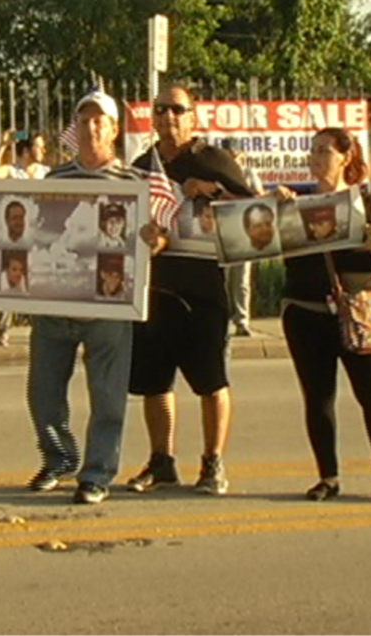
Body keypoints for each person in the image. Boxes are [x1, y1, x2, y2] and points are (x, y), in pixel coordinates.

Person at [128, 85, 254, 497]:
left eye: (177, 109)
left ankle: (212, 462)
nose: (168, 116)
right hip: (156, 285)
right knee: (154, 382)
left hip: (203, 286)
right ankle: (161, 461)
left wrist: (211, 190)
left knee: (211, 380)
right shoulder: (142, 165)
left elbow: (252, 213)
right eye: (161, 109)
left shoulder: (214, 159)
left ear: (192, 116)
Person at [26, 90, 151, 505]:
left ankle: (97, 474)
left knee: (108, 398)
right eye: (84, 121)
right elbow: (39, 235)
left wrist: (155, 238)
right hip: (56, 303)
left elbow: (153, 237)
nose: (91, 128)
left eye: (100, 121)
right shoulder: (55, 180)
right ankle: (59, 458)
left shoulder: (134, 183)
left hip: (108, 307)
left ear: (114, 130)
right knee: (43, 394)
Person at [275, 127, 371, 502]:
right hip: (306, 312)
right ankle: (328, 477)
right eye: (313, 151)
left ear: (345, 157)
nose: (316, 158)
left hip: (359, 310)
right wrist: (278, 208)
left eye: (324, 151)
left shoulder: (367, 202)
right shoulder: (297, 202)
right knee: (318, 397)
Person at [0, 133, 48, 347]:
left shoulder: (45, 173)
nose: (43, 151)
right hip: (15, 235)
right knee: (11, 280)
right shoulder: (13, 172)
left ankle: (41, 329)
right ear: (26, 150)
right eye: (39, 146)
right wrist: (3, 146)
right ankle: (3, 329)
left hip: (37, 234)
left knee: (40, 282)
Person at [221, 138, 265, 337]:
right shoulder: (218, 174)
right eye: (228, 156)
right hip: (223, 230)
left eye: (235, 156)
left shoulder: (248, 173)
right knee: (222, 279)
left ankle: (242, 320)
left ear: (242, 156)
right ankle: (222, 319)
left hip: (245, 232)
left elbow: (259, 196)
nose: (232, 160)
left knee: (241, 280)